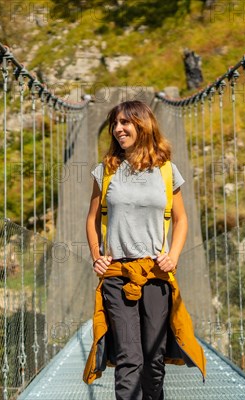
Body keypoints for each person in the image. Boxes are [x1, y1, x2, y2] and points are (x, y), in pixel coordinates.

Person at [82, 101, 206, 399]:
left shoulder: (167, 171)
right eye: (115, 124)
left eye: (125, 122)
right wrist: (97, 256)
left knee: (153, 361)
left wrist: (173, 256)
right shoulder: (105, 171)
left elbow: (181, 218)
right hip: (117, 276)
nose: (118, 129)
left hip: (156, 274)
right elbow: (91, 219)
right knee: (129, 359)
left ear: (143, 125)